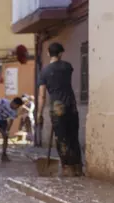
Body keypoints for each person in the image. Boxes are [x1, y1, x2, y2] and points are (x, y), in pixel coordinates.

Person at [37, 42, 83, 176]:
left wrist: (39, 114)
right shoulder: (68, 67)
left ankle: (67, 168)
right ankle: (78, 168)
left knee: (61, 139)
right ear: (61, 53)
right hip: (72, 106)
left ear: (48, 53)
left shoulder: (44, 71)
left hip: (57, 108)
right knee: (73, 137)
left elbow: (42, 95)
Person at [0, 96, 24, 162]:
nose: (16, 108)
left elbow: (11, 122)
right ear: (13, 102)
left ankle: (4, 155)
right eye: (16, 106)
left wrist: (7, 130)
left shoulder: (14, 112)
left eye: (18, 107)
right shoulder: (4, 101)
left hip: (3, 120)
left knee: (5, 137)